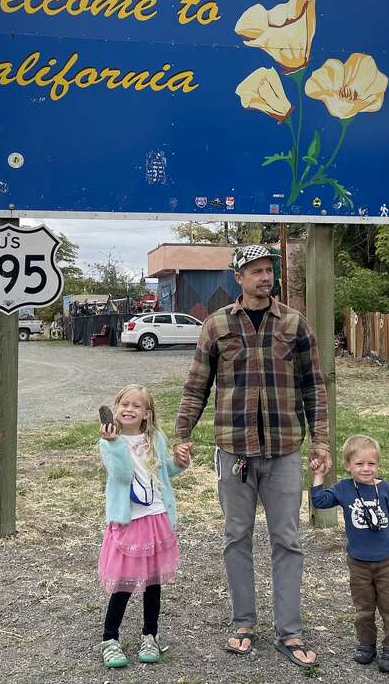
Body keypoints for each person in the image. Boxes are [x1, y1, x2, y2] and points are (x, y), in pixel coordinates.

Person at [173, 244, 329, 668]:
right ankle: (243, 623)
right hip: (234, 452)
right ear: (238, 277)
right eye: (256, 271)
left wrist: (321, 441)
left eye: (268, 270)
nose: (265, 277)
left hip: (283, 452)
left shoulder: (295, 325)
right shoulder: (216, 325)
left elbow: (314, 387)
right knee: (236, 538)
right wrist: (181, 434)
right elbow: (196, 386)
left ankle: (289, 631)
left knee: (288, 540)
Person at [96, 384, 186, 669]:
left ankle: (151, 634)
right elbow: (122, 476)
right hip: (129, 520)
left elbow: (161, 471)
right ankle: (110, 638)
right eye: (124, 404)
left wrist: (179, 463)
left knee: (153, 582)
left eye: (136, 406)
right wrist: (113, 444)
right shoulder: (110, 442)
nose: (129, 409)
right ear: (116, 408)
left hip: (156, 517)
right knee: (123, 582)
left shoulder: (155, 438)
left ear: (147, 414)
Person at [310, 434, 389, 674]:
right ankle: (366, 645)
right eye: (359, 464)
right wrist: (318, 476)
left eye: (371, 464)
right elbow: (320, 502)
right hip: (358, 562)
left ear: (377, 464)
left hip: (386, 561)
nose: (366, 469)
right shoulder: (344, 489)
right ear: (348, 465)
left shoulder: (385, 489)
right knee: (363, 608)